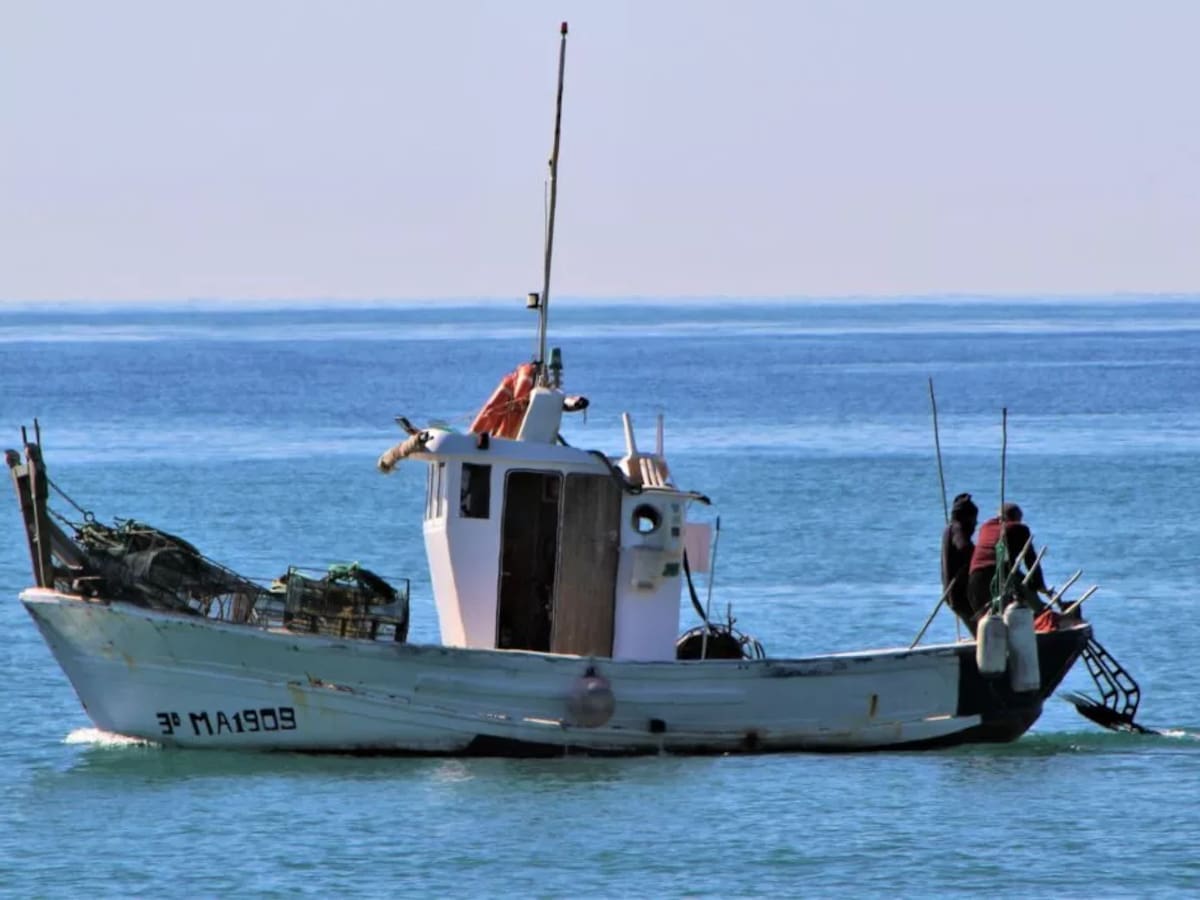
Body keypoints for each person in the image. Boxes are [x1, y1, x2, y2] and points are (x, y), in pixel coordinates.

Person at [967, 502, 1052, 624]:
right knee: (1032, 602)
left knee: (986, 620)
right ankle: (1042, 616)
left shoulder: (985, 527)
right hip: (999, 573)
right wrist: (1039, 585)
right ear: (1016, 518)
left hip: (975, 577)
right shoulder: (1019, 528)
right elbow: (1031, 561)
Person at [940, 492, 979, 625]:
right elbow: (964, 547)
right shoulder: (957, 528)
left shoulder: (950, 529)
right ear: (966, 518)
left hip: (952, 592)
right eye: (974, 519)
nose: (976, 523)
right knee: (979, 625)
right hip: (959, 593)